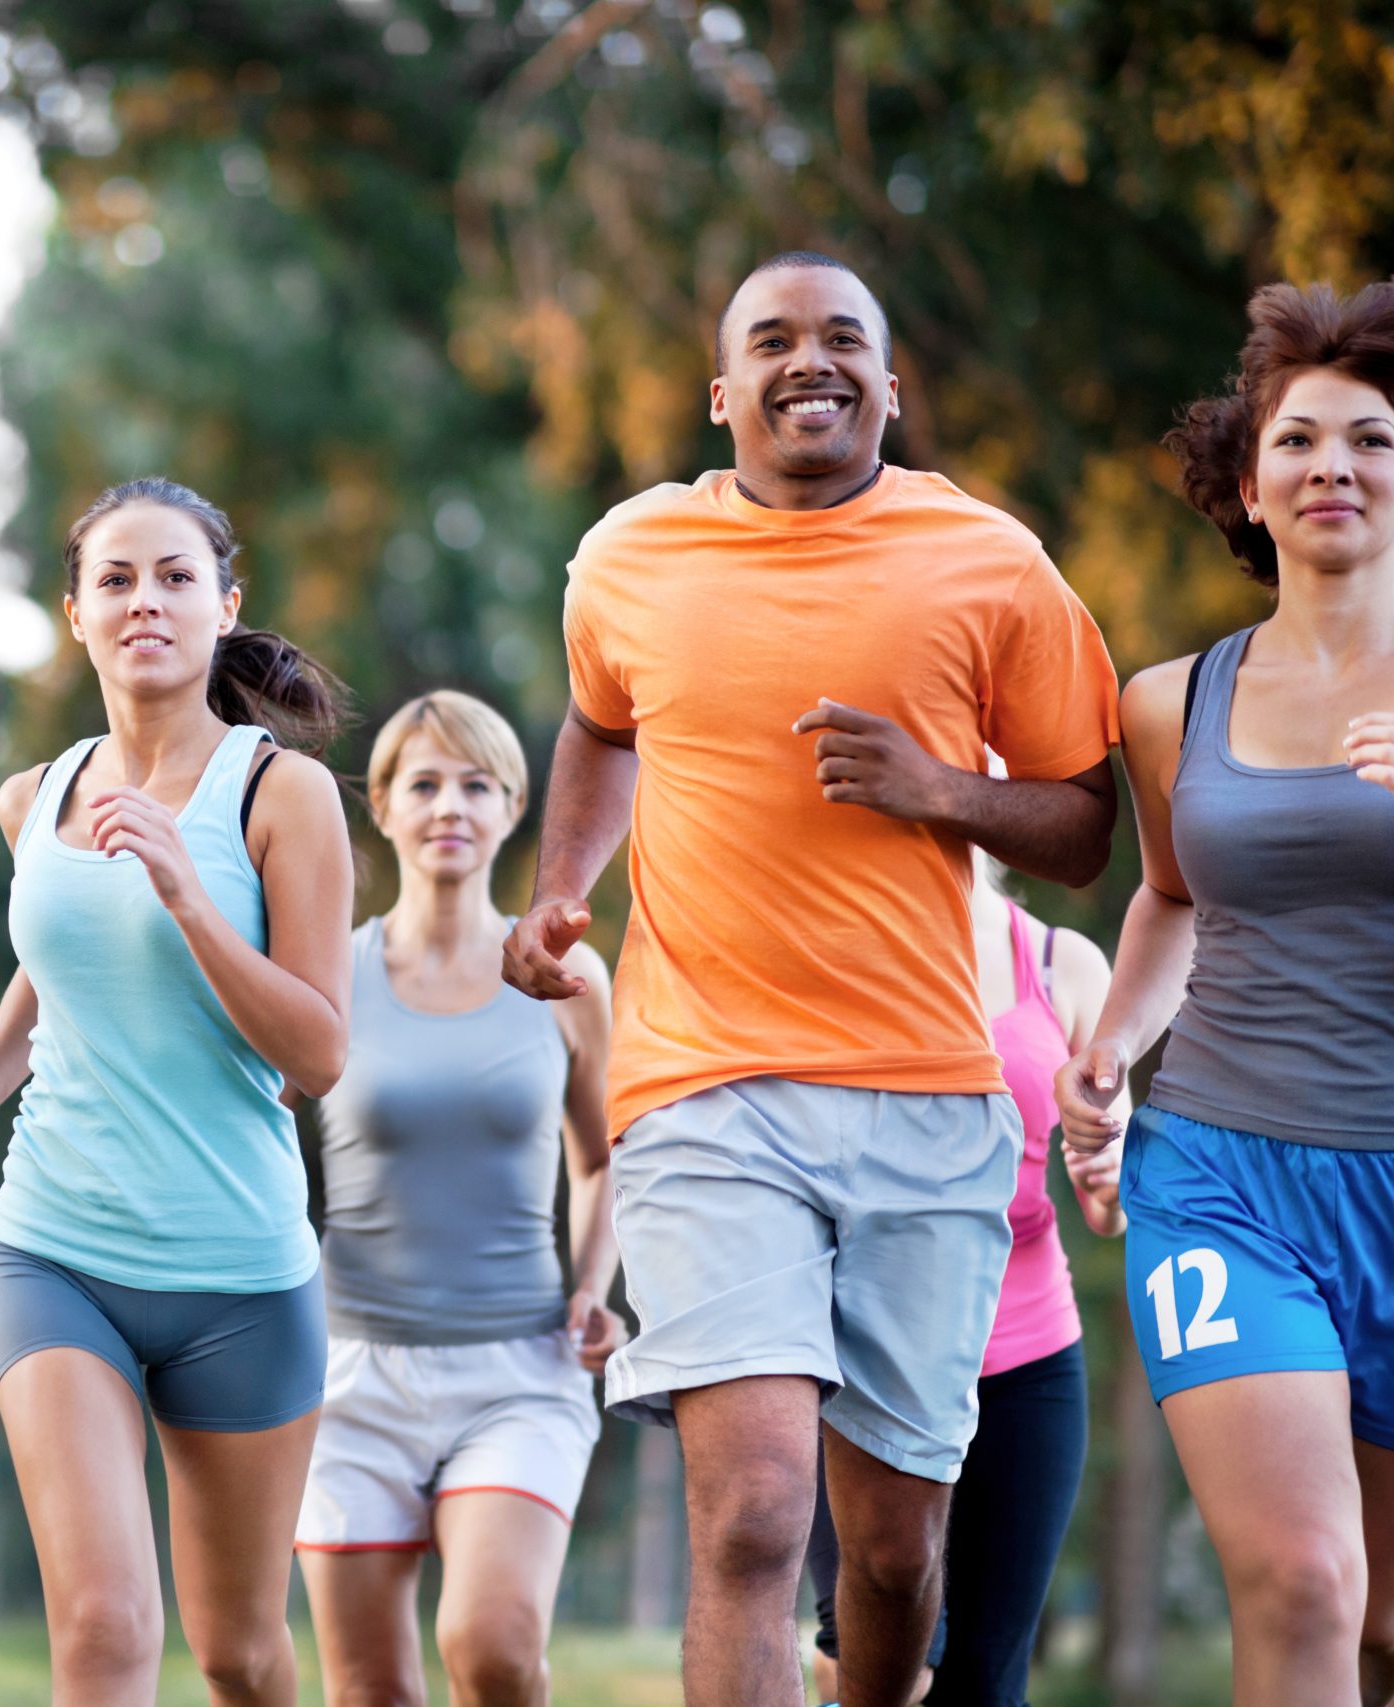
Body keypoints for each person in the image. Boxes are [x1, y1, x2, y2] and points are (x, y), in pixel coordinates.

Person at [502, 251, 1121, 1707]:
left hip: (927, 1095)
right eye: (772, 341)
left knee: (897, 1559)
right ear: (724, 394)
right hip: (704, 1085)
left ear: (890, 387)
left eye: (843, 337)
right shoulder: (630, 555)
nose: (810, 361)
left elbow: (1087, 822)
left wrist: (936, 790)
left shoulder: (990, 559)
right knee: (757, 1512)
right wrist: (559, 886)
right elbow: (602, 724)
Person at [0, 478, 352, 1706]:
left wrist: (189, 897)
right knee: (100, 1627)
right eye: (118, 580)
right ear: (76, 616)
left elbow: (318, 1054)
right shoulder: (33, 798)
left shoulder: (279, 795)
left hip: (238, 1274)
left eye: (177, 577)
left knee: (243, 1654)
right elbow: (51, 975)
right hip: (57, 1252)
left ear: (223, 605)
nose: (148, 600)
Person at [1056, 279, 1394, 1707]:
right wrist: (1115, 1044)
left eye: (1374, 439)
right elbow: (1174, 893)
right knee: (1308, 1583)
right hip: (1228, 1175)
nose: (1335, 465)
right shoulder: (1167, 700)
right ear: (1247, 487)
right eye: (1300, 439)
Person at [292, 689, 624, 1707]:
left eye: (476, 784)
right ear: (381, 808)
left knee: (491, 1646)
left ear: (513, 807)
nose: (450, 806)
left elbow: (600, 1156)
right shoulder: (324, 974)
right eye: (423, 783)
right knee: (370, 1690)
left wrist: (592, 1284)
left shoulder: (570, 981)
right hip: (346, 1380)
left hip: (518, 1370)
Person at [806, 852, 1128, 1707]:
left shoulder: (1064, 964)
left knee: (986, 1683)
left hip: (1027, 1355)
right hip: (865, 1352)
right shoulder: (838, 942)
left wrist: (1109, 1172)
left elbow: (1113, 1192)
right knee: (879, 1667)